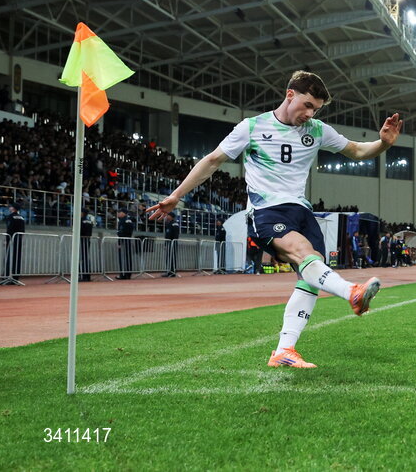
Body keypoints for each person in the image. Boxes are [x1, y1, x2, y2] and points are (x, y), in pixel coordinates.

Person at [147, 70, 403, 369]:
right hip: (268, 210)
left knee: (310, 274)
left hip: (302, 211)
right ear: (290, 94)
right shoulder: (252, 127)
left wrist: (383, 143)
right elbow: (213, 160)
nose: (310, 114)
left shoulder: (317, 130)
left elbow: (358, 151)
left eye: (315, 109)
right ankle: (352, 293)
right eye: (307, 105)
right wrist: (177, 195)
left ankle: (284, 350)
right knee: (305, 255)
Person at [0, 203, 25, 285]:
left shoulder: (10, 217)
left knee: (8, 258)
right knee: (17, 259)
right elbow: (23, 231)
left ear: (13, 208)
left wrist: (6, 240)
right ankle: (15, 277)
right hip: (18, 239)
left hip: (11, 239)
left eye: (10, 207)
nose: (9, 208)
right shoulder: (21, 218)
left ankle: (7, 277)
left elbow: (9, 229)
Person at [116, 208, 135, 279]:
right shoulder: (126, 220)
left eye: (119, 212)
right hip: (126, 240)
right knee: (127, 258)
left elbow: (122, 232)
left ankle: (124, 274)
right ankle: (126, 274)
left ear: (124, 213)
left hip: (124, 241)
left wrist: (118, 234)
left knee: (124, 258)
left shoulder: (124, 220)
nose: (118, 213)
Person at [162, 211, 180, 277]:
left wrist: (173, 242)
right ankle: (168, 271)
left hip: (172, 243)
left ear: (171, 217)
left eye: (168, 215)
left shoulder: (175, 224)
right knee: (168, 258)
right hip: (168, 242)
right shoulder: (169, 223)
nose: (167, 217)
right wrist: (165, 244)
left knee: (172, 257)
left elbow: (176, 235)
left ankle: (172, 271)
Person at [79, 208, 94, 282]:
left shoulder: (80, 220)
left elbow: (79, 231)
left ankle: (83, 276)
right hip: (87, 240)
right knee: (86, 258)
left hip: (81, 240)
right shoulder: (90, 221)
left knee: (81, 258)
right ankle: (87, 276)